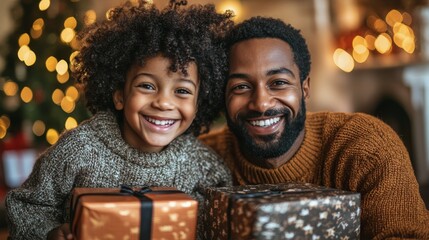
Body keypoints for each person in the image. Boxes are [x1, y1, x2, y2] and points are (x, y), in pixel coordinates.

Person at [6, 0, 234, 239]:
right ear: (119, 96)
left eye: (183, 91)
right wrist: (49, 232)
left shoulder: (205, 167)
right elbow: (26, 205)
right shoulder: (78, 149)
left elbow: (219, 226)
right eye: (147, 86)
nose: (164, 103)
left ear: (198, 105)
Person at [200, 16, 429, 239]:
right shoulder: (201, 159)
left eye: (278, 83)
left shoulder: (365, 146)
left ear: (305, 87)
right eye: (241, 86)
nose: (261, 103)